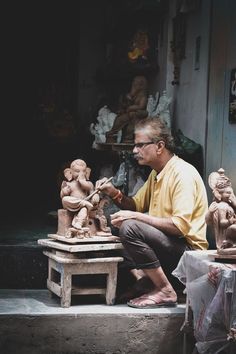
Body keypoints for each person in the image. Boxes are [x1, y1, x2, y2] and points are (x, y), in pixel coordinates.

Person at [96, 116, 209, 308]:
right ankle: (149, 282)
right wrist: (113, 192)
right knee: (115, 232)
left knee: (130, 227)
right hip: (170, 248)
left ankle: (165, 289)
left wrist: (135, 217)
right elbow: (135, 205)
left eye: (140, 145)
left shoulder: (183, 174)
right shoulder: (157, 173)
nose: (134, 151)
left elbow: (179, 227)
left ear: (159, 146)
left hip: (189, 257)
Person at [105, 75, 148, 144]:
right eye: (133, 83)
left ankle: (129, 137)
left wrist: (132, 107)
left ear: (141, 86)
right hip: (130, 113)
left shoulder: (143, 96)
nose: (133, 85)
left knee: (132, 119)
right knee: (120, 118)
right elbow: (127, 105)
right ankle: (113, 131)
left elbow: (141, 106)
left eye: (135, 84)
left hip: (138, 114)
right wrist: (129, 98)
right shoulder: (134, 95)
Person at [205, 169, 236, 251]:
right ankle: (229, 243)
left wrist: (234, 203)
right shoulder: (221, 206)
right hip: (225, 233)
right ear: (220, 194)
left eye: (231, 192)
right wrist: (230, 221)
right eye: (228, 193)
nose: (231, 195)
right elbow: (222, 223)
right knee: (233, 228)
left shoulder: (230, 204)